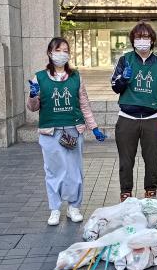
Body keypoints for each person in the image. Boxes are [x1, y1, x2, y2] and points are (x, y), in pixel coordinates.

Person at [27, 37, 107, 226]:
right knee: (53, 171)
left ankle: (74, 207)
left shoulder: (76, 76)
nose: (62, 53)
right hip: (50, 132)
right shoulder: (39, 77)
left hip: (73, 130)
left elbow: (84, 104)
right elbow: (33, 107)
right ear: (50, 53)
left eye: (65, 50)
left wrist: (93, 127)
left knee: (74, 171)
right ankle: (55, 209)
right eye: (58, 50)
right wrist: (32, 95)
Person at [110, 21, 157, 202]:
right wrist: (123, 79)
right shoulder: (125, 59)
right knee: (126, 161)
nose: (142, 40)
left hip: (152, 118)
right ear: (133, 40)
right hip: (127, 118)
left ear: (152, 40)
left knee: (152, 160)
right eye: (138, 37)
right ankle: (126, 195)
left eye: (145, 37)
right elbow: (115, 86)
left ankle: (150, 194)